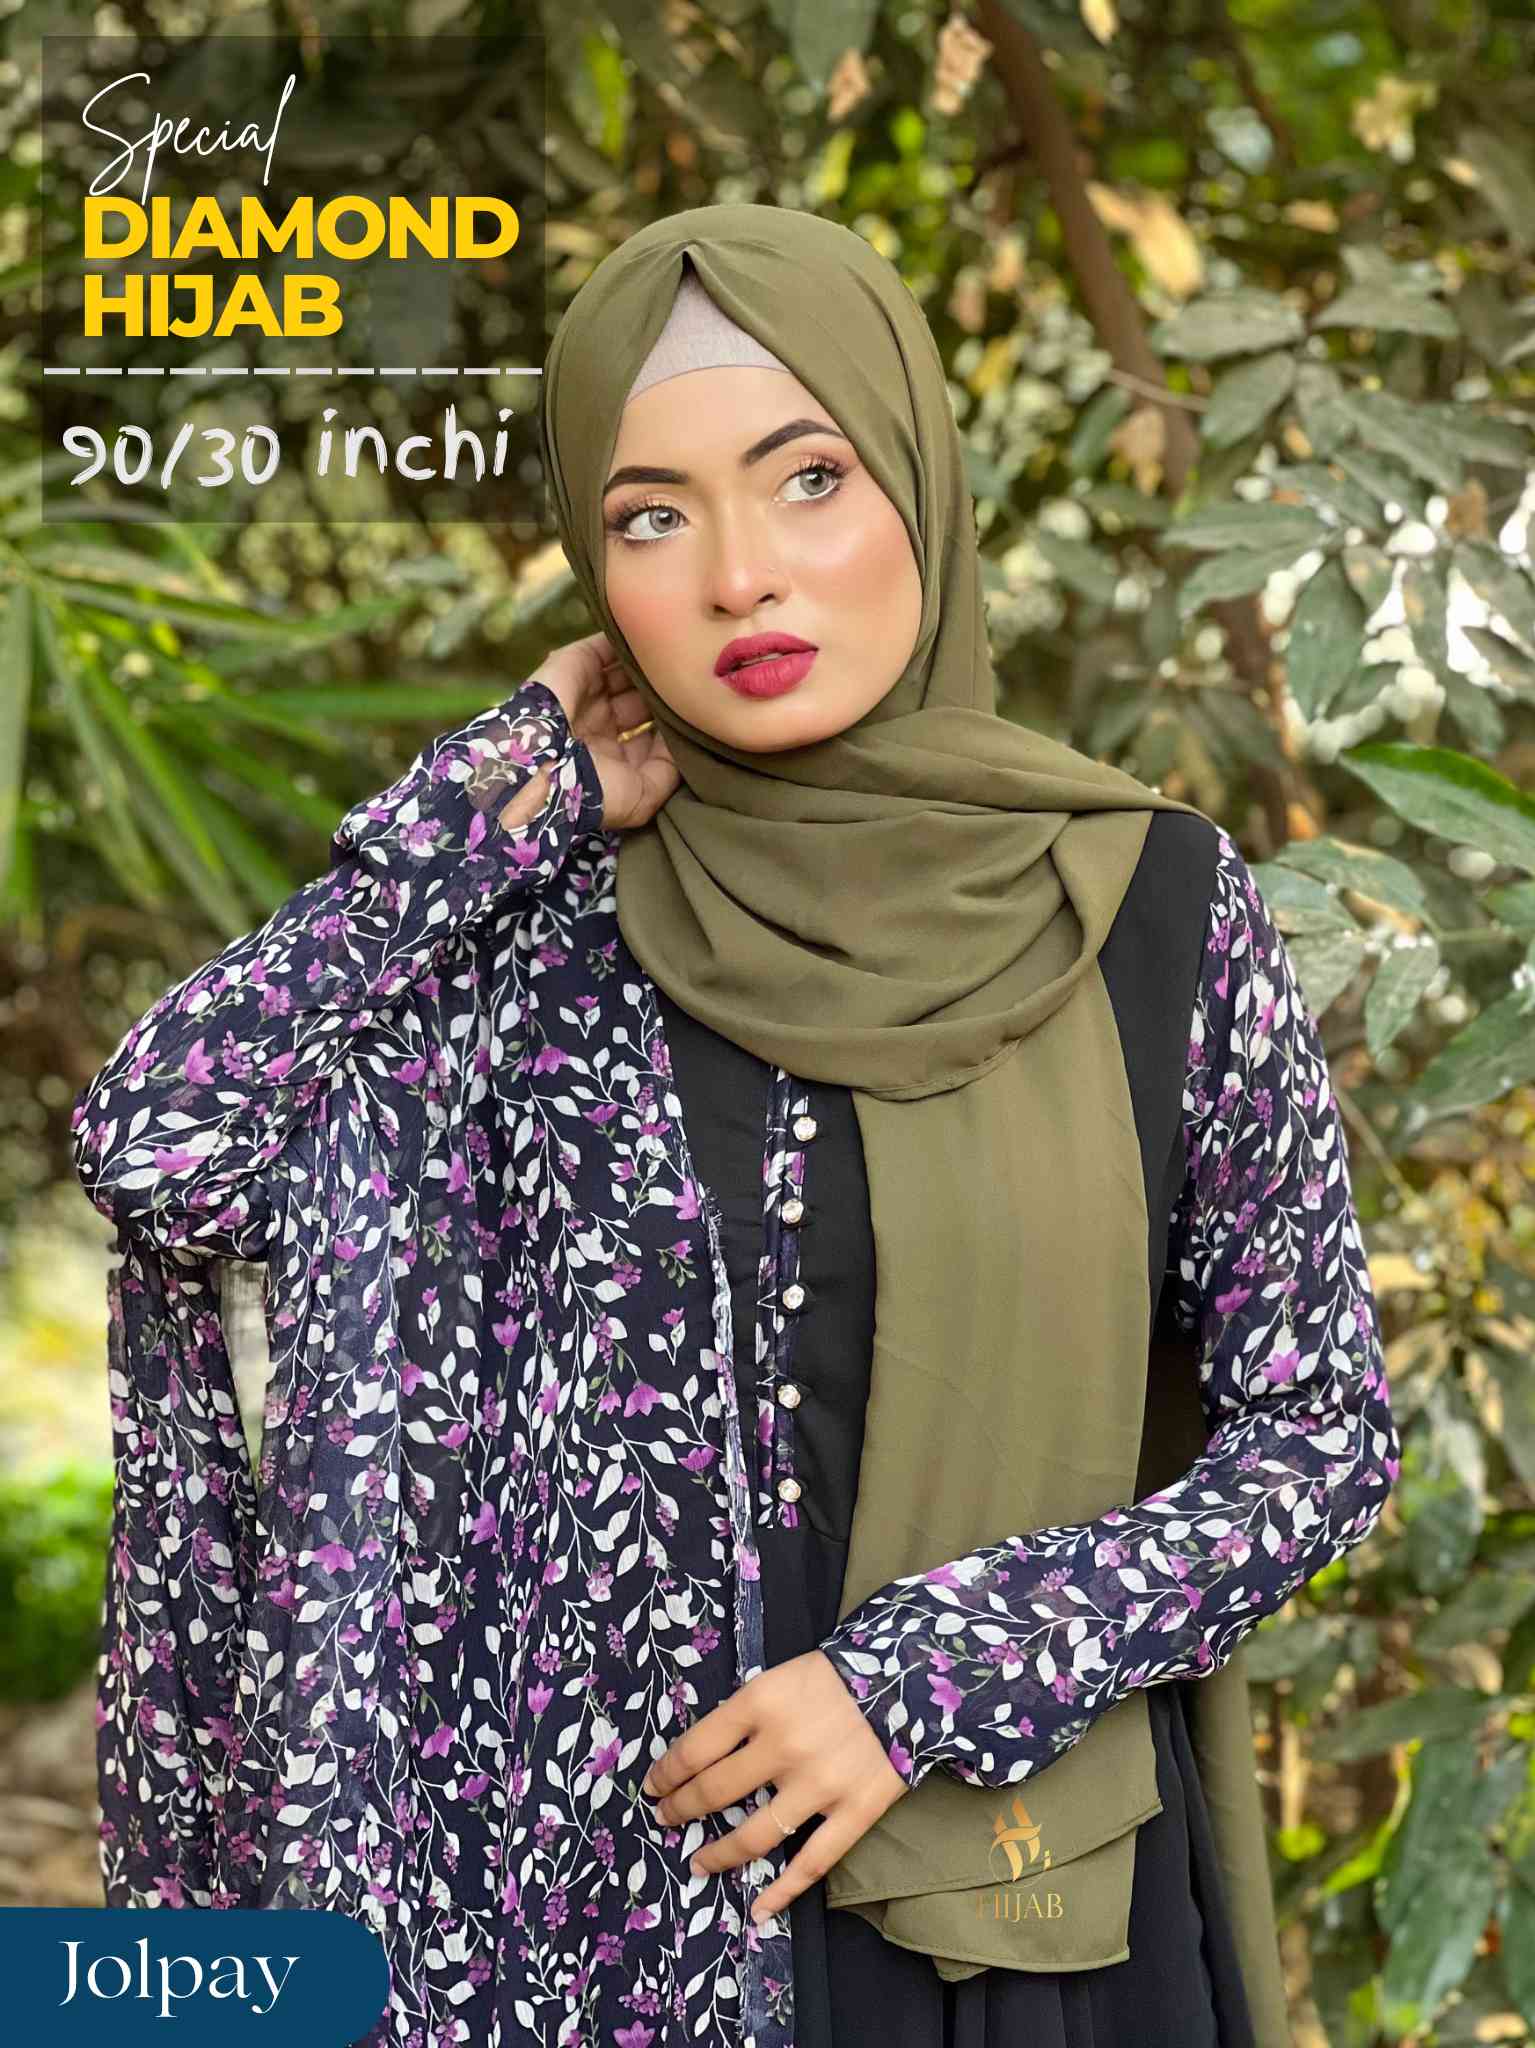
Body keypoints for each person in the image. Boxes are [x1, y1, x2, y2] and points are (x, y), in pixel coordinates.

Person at [71, 204, 1400, 2048]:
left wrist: (917, 1681)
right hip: (600, 1948)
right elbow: (160, 1142)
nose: (741, 575)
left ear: (917, 484)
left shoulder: (1147, 910)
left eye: (809, 478)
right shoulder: (528, 938)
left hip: (1017, 1923)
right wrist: (480, 807)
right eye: (652, 517)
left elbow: (1320, 1441)